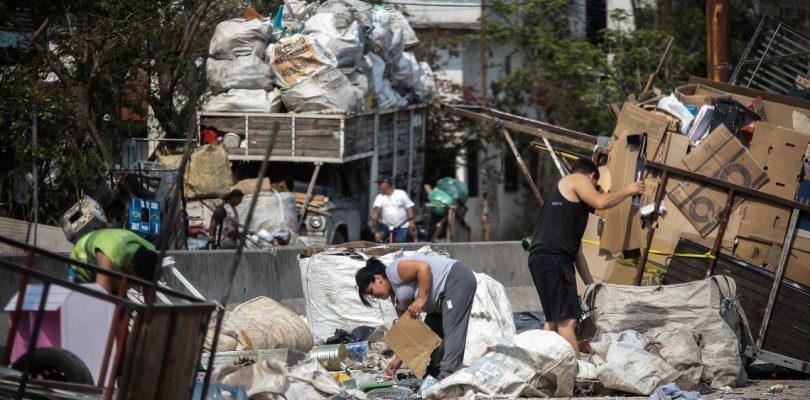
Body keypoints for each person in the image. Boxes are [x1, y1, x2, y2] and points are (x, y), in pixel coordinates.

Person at [528, 158, 644, 357]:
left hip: (546, 259)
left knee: (554, 322)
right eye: (596, 186)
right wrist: (629, 190)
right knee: (567, 322)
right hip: (553, 259)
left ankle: (540, 366)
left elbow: (578, 253)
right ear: (592, 177)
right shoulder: (577, 178)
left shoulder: (568, 209)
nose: (595, 191)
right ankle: (576, 375)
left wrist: (591, 286)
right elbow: (601, 202)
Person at [356, 255, 476, 379]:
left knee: (452, 329)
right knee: (429, 340)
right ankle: (432, 376)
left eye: (371, 291)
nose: (374, 296)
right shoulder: (397, 300)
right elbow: (410, 331)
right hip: (438, 303)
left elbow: (423, 268)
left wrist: (420, 299)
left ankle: (450, 378)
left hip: (455, 280)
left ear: (377, 278)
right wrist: (399, 359)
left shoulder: (394, 270)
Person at [68, 229, 159, 294]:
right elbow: (103, 295)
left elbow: (149, 289)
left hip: (116, 265)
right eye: (138, 281)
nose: (138, 285)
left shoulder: (149, 253)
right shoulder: (110, 255)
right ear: (131, 267)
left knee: (121, 309)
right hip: (82, 265)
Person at [370, 175, 415, 243]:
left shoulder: (401, 194)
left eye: (380, 183)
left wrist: (411, 222)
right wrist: (375, 215)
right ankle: (379, 252)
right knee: (377, 236)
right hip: (386, 226)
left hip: (401, 226)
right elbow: (377, 207)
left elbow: (409, 208)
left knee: (399, 242)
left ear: (387, 184)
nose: (378, 186)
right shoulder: (380, 196)